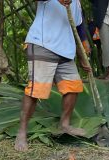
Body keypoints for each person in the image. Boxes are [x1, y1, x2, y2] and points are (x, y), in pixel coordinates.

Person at [15, 0, 90, 152]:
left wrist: (82, 55)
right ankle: (22, 132)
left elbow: (79, 28)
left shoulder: (77, 3)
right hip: (43, 44)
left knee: (73, 86)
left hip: (66, 49)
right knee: (36, 89)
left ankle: (65, 124)